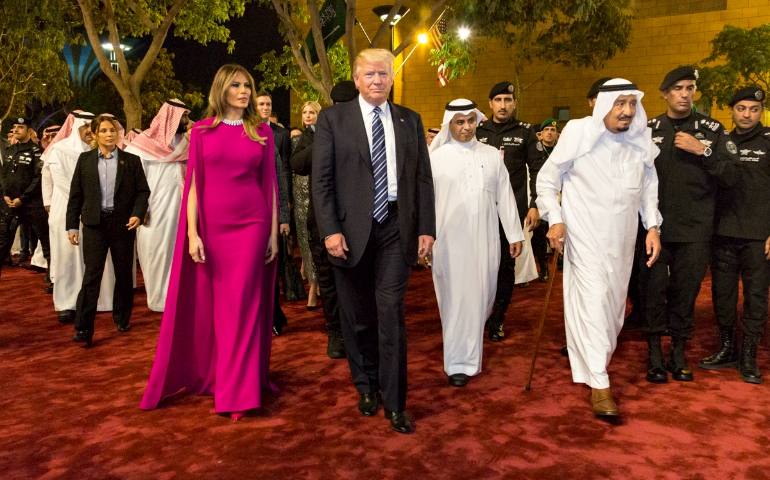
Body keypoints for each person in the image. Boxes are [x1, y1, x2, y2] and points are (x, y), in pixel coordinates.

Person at [140, 64, 279, 420]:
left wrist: (274, 232)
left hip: (252, 224)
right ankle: (221, 376)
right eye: (236, 85)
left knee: (241, 304)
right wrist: (192, 233)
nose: (244, 90)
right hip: (213, 229)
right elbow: (194, 187)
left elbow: (271, 186)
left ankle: (239, 393)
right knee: (218, 306)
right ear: (221, 89)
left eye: (247, 85)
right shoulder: (201, 131)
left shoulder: (261, 131)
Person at [312, 49, 435, 434]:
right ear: (357, 77)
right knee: (357, 317)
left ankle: (395, 402)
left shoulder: (409, 120)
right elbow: (322, 182)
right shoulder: (333, 119)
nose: (377, 80)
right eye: (370, 74)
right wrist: (330, 230)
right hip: (348, 234)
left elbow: (422, 181)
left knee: (390, 313)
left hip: (396, 229)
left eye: (384, 73)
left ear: (392, 78)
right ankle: (365, 385)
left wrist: (426, 229)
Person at [536, 79, 662, 417]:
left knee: (612, 312)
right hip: (584, 236)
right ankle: (600, 384)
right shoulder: (578, 132)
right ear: (604, 104)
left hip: (623, 242)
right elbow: (548, 180)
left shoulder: (639, 140)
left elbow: (649, 185)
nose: (627, 111)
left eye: (632, 104)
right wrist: (555, 219)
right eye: (619, 103)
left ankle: (593, 363)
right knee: (593, 304)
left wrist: (652, 225)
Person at [641, 66, 738, 384]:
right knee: (653, 292)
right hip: (655, 228)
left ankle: (678, 353)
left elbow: (731, 176)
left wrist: (703, 150)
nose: (685, 93)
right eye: (678, 88)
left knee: (686, 293)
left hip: (695, 229)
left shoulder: (711, 128)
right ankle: (654, 354)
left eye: (690, 88)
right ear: (665, 93)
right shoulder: (648, 127)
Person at [429, 99, 523, 388]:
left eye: (471, 120)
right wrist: (425, 239)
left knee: (483, 295)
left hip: (486, 239)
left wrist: (514, 234)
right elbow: (427, 203)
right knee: (456, 299)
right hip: (449, 241)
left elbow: (504, 195)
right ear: (449, 124)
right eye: (459, 122)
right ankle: (457, 363)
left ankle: (469, 354)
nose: (466, 126)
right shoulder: (436, 157)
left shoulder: (492, 155)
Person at [699, 86, 770, 384]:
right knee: (723, 296)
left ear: (762, 111)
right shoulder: (721, 141)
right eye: (741, 108)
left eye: (754, 109)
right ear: (732, 110)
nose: (747, 114)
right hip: (723, 233)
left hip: (758, 236)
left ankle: (749, 356)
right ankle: (728, 349)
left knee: (756, 297)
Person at [66, 115, 150, 347]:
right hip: (94, 225)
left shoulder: (131, 161)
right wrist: (72, 225)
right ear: (94, 134)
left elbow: (143, 191)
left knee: (124, 274)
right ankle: (84, 328)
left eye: (112, 130)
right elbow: (75, 195)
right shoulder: (84, 161)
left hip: (123, 225)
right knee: (92, 275)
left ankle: (122, 318)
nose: (109, 134)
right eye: (103, 130)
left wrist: (137, 213)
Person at [291, 81, 357, 359]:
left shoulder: (363, 132)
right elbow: (298, 165)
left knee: (356, 283)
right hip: (322, 222)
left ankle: (358, 333)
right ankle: (336, 334)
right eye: (336, 108)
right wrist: (325, 136)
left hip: (357, 222)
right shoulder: (313, 135)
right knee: (328, 283)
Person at [475, 81, 544, 342]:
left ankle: (498, 319)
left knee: (505, 267)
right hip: (480, 213)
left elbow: (538, 170)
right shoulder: (478, 130)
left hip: (511, 213)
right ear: (490, 103)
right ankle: (478, 313)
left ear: (514, 103)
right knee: (480, 266)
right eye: (498, 100)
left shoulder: (525, 132)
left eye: (508, 100)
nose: (503, 105)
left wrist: (535, 204)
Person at [42, 111, 115, 323]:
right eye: (85, 128)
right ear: (75, 128)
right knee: (68, 258)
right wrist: (86, 202)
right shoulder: (58, 150)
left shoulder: (99, 150)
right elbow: (62, 182)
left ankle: (98, 301)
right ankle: (67, 303)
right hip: (67, 210)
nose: (90, 132)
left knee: (94, 257)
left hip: (95, 210)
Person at [124, 99, 191, 312]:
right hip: (153, 208)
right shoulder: (142, 145)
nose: (187, 122)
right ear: (171, 118)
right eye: (184, 117)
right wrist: (139, 208)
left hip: (182, 207)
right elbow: (131, 182)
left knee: (179, 251)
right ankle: (158, 299)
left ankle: (178, 297)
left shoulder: (185, 144)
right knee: (156, 251)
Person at [256, 90, 292, 335]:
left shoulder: (278, 134)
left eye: (269, 104)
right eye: (261, 104)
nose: (265, 107)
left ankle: (274, 316)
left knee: (272, 267)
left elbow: (282, 173)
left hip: (271, 210)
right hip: (247, 211)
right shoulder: (244, 131)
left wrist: (284, 215)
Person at [0, 117, 49, 279]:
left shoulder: (37, 152)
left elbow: (38, 178)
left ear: (29, 131)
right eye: (14, 127)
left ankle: (53, 275)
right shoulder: (9, 150)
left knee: (45, 240)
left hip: (32, 204)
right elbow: (4, 176)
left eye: (20, 127)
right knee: (3, 241)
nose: (15, 130)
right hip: (11, 204)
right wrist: (6, 194)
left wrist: (23, 197)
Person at [292, 101, 321, 310]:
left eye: (312, 112)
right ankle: (312, 284)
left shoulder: (327, 134)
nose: (308, 115)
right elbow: (296, 164)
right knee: (305, 242)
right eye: (305, 112)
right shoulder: (301, 138)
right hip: (300, 194)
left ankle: (316, 285)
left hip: (319, 194)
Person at [531, 118, 559, 283]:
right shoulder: (535, 152)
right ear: (540, 134)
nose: (549, 132)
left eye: (553, 130)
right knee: (540, 234)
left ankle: (561, 260)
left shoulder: (561, 151)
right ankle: (543, 267)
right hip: (541, 197)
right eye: (546, 129)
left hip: (559, 197)